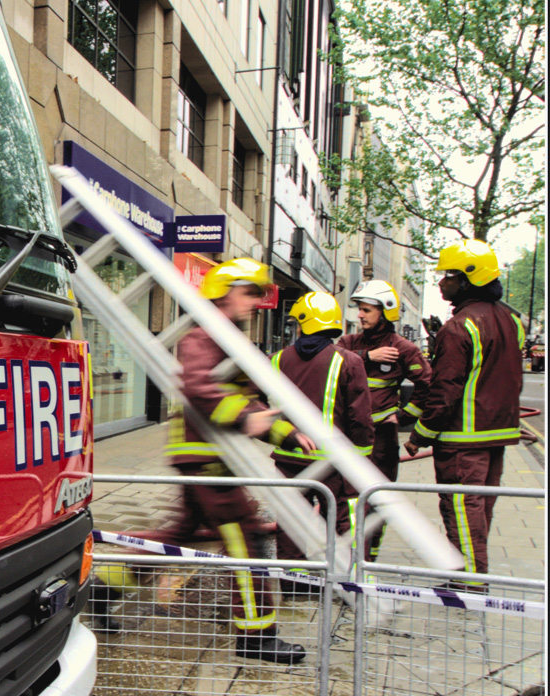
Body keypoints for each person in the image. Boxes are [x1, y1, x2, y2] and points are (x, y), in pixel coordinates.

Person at [155, 258, 316, 663]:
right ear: (223, 291)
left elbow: (251, 405)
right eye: (249, 293)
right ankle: (256, 636)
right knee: (246, 542)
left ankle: (108, 584)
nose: (256, 302)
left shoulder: (226, 339)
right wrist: (248, 418)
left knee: (179, 535)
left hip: (210, 457)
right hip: (207, 459)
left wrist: (288, 434)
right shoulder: (202, 336)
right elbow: (200, 388)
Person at [405, 240, 525, 591]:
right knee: (481, 504)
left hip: (463, 438)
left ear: (469, 279)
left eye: (449, 276)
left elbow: (445, 391)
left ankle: (470, 579)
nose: (441, 283)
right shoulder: (512, 320)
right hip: (497, 433)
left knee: (462, 505)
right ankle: (470, 570)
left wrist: (420, 436)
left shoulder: (459, 327)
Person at [269, 292, 375, 589]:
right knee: (342, 523)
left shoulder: (277, 360)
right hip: (335, 465)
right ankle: (345, 583)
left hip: (289, 458)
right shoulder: (349, 361)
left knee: (291, 522)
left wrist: (282, 434)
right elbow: (360, 416)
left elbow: (256, 404)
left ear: (303, 324)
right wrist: (362, 456)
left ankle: (293, 586)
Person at [338, 280, 432, 565]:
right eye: (359, 309)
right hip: (349, 436)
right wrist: (368, 356)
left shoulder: (403, 348)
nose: (360, 316)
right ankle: (347, 554)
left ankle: (369, 557)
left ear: (386, 311)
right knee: (345, 497)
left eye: (366, 310)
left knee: (379, 497)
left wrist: (403, 417)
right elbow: (331, 361)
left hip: (382, 437)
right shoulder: (349, 343)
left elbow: (428, 386)